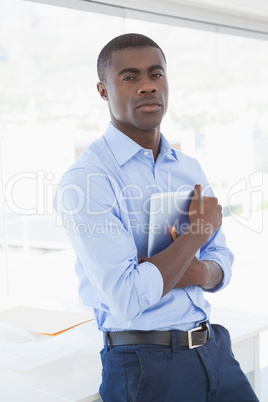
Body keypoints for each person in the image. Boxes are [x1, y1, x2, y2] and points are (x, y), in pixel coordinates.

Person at [55, 33, 258, 401]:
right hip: (145, 365)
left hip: (213, 349)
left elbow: (222, 262)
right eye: (130, 77)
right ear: (103, 91)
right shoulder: (87, 181)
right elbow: (128, 297)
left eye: (156, 74)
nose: (148, 86)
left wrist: (190, 271)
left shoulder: (188, 168)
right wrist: (195, 235)